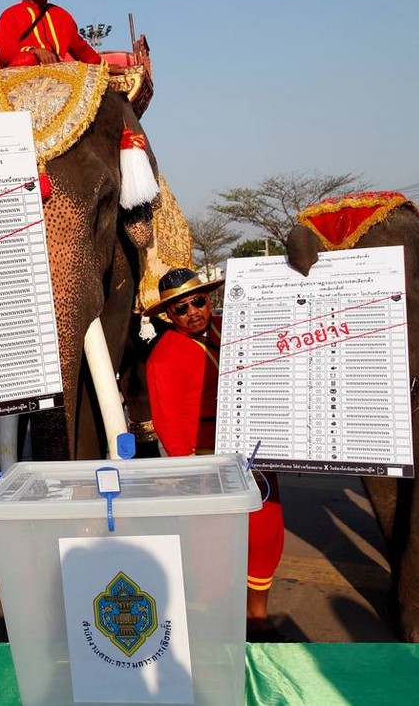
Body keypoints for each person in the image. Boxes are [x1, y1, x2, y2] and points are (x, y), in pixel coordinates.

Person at [143, 268, 285, 641]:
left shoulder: (235, 329)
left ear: (210, 300)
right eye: (180, 308)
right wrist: (191, 473)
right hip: (207, 461)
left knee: (265, 533)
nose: (192, 311)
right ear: (169, 316)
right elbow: (170, 425)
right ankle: (216, 622)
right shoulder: (163, 357)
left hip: (255, 453)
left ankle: (257, 616)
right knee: (210, 546)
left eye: (198, 301)